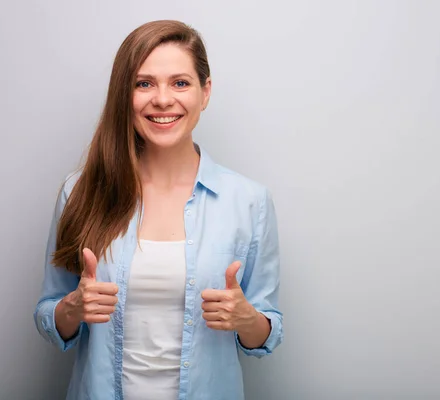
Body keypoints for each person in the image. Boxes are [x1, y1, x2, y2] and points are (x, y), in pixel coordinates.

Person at [33, 20, 283, 400]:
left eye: (180, 83)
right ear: (124, 94)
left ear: (206, 92)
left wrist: (247, 319)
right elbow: (48, 313)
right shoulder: (80, 191)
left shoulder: (249, 201)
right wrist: (71, 309)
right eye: (144, 83)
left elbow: (268, 331)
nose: (163, 99)